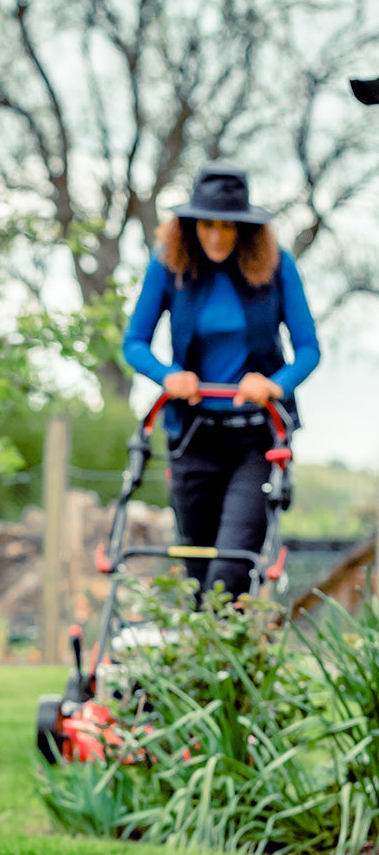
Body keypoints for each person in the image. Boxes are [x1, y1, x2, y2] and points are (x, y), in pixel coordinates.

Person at [122, 161, 319, 601]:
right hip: (193, 437)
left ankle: (218, 650)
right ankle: (206, 661)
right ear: (190, 226)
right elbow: (134, 342)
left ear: (244, 228)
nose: (215, 235)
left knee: (230, 566)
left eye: (227, 226)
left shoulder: (275, 267)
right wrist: (168, 375)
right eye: (205, 224)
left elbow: (309, 350)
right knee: (196, 568)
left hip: (255, 438)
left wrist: (274, 384)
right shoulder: (169, 267)